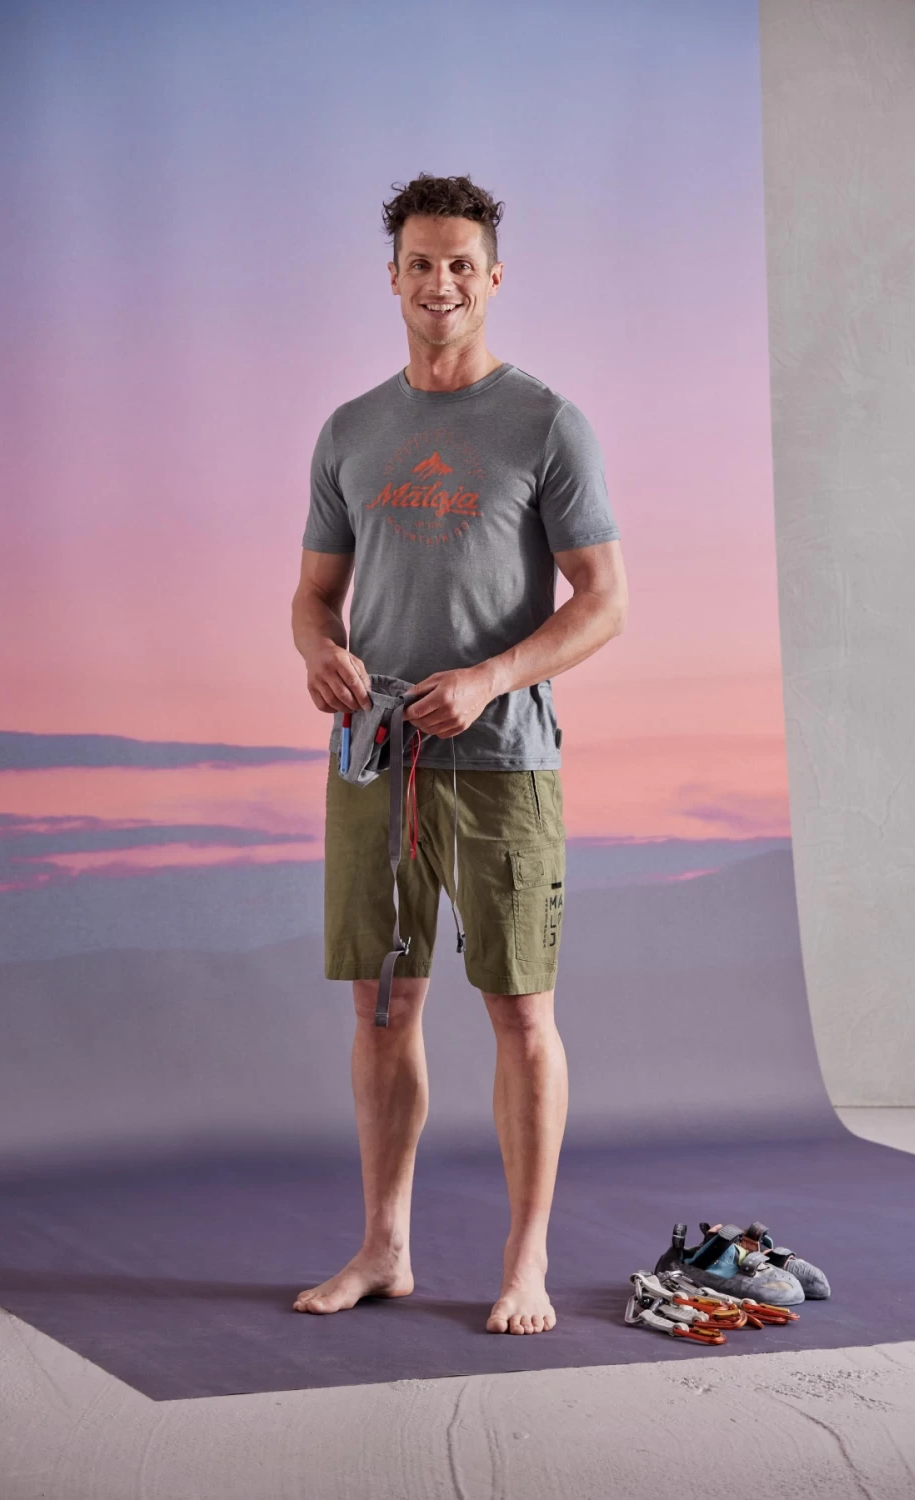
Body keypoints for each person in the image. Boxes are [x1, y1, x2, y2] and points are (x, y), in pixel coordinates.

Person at [289, 172, 628, 1335]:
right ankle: (384, 1248)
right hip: (374, 765)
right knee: (383, 1012)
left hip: (504, 767)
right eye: (422, 264)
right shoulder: (350, 431)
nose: (442, 284)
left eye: (461, 265)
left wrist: (488, 677)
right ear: (392, 277)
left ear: (494, 278)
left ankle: (526, 1263)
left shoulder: (547, 424)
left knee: (521, 1014)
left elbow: (605, 602)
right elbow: (314, 598)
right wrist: (317, 653)